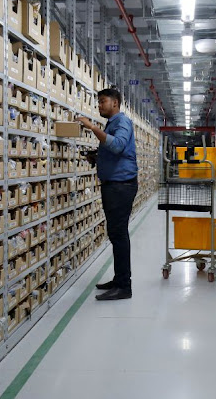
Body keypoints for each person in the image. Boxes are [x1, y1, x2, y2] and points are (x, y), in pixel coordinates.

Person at [76, 88, 138, 301]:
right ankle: (119, 279)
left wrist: (92, 127)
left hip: (121, 185)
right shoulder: (113, 124)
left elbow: (119, 146)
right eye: (99, 102)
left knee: (119, 235)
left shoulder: (122, 122)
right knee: (116, 234)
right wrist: (98, 157)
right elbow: (112, 150)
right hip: (115, 184)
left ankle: (124, 286)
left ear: (116, 102)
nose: (99, 105)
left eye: (103, 101)